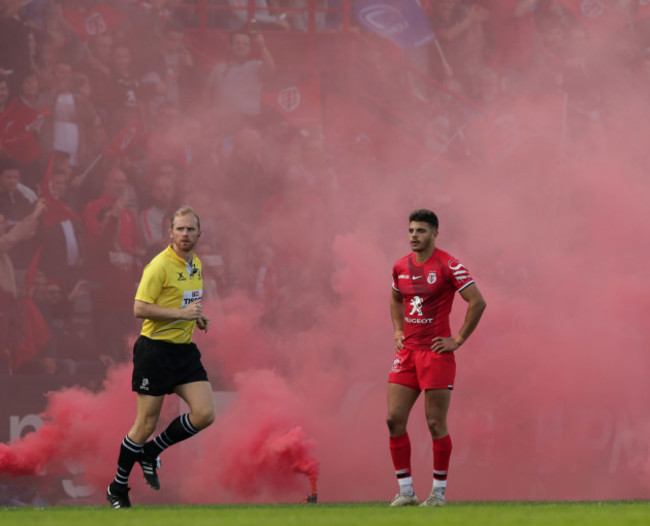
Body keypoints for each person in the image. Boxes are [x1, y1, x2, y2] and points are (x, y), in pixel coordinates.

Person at [106, 206, 215, 509]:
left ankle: (152, 451)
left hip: (184, 350)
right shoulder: (159, 266)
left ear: (198, 234)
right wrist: (181, 314)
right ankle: (117, 487)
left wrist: (196, 318)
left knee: (205, 413)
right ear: (170, 233)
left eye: (190, 229)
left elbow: (185, 301)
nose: (185, 234)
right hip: (154, 351)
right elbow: (139, 308)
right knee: (144, 425)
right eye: (179, 229)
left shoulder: (196, 265)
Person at [386, 209, 486, 507]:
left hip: (435, 354)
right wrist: (397, 330)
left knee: (434, 423)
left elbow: (477, 302)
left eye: (420, 231)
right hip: (407, 354)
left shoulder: (448, 265)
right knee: (393, 420)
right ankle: (406, 491)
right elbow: (395, 298)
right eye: (411, 231)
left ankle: (438, 494)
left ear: (434, 234)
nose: (414, 236)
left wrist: (457, 340)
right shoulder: (400, 267)